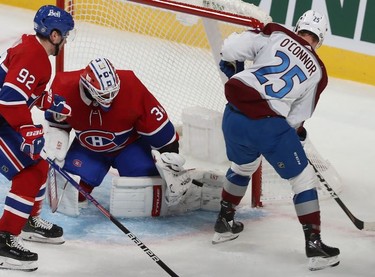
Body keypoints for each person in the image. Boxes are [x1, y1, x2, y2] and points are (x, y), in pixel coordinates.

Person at [213, 10, 340, 271]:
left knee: (243, 167)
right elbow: (296, 119)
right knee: (303, 179)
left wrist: (234, 67)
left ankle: (224, 223)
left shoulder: (275, 33)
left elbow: (229, 48)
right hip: (267, 125)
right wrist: (295, 136)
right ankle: (315, 246)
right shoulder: (318, 71)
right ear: (321, 39)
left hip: (233, 116)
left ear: (297, 27)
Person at [43, 57, 217, 218]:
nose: (110, 99)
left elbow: (161, 131)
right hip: (87, 149)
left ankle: (193, 186)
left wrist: (171, 162)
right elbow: (57, 125)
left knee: (148, 192)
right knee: (70, 194)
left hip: (128, 146)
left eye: (113, 92)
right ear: (88, 87)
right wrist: (55, 148)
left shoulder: (130, 85)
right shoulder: (63, 88)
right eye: (104, 95)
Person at [0, 5, 74, 271]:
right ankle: (4, 240)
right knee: (29, 174)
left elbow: (27, 90)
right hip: (3, 117)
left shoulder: (35, 50)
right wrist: (27, 128)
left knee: (39, 165)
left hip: (4, 117)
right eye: (64, 35)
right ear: (54, 35)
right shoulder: (34, 55)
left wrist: (50, 101)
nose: (65, 40)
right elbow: (9, 100)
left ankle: (27, 221)